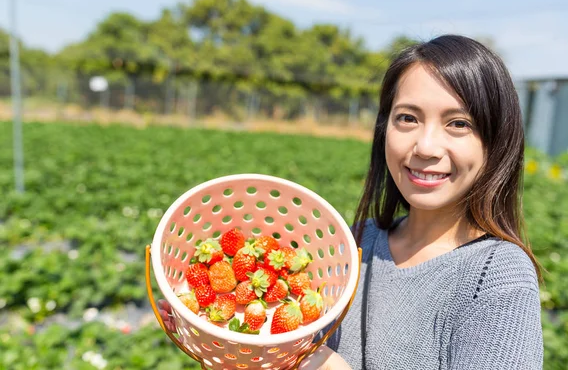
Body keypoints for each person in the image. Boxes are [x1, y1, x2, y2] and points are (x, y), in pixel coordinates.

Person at [159, 34, 544, 369]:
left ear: (497, 141)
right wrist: (226, 344)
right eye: (407, 118)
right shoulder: (356, 242)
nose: (425, 147)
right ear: (384, 129)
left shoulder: (495, 277)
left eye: (458, 123)